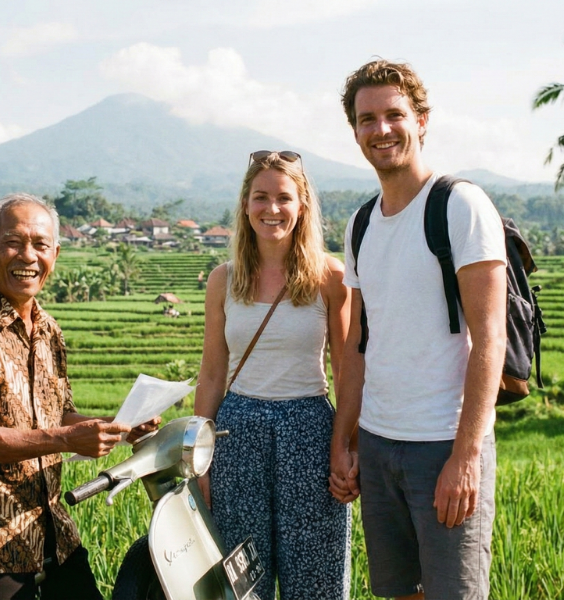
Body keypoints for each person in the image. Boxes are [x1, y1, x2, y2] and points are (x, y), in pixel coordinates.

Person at [330, 60, 507, 600]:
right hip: (381, 445)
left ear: (422, 120)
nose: (380, 130)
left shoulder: (459, 206)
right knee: (397, 594)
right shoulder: (360, 224)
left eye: (394, 115)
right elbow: (360, 345)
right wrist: (346, 441)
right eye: (367, 119)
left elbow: (489, 339)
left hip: (443, 444)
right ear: (355, 130)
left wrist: (466, 456)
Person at [0, 193, 159, 600]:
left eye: (40, 245)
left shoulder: (48, 330)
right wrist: (68, 441)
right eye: (13, 242)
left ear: (55, 254)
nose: (27, 256)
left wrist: (118, 427)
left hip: (53, 531)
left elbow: (60, 414)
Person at [194, 151, 352, 600]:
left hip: (310, 430)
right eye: (260, 197)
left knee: (316, 578)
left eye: (284, 197)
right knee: (244, 581)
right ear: (245, 205)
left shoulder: (330, 276)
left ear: (302, 205)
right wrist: (198, 459)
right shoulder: (223, 280)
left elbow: (345, 372)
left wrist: (346, 447)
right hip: (236, 432)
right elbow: (211, 374)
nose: (272, 208)